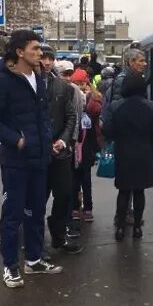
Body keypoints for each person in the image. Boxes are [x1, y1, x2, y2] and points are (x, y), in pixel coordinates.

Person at [0, 30, 62, 289]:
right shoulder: (2, 81)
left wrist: (47, 140)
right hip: (15, 162)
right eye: (35, 49)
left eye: (41, 50)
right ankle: (10, 266)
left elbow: (42, 115)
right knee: (13, 215)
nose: (41, 54)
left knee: (36, 211)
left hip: (39, 159)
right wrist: (16, 140)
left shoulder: (38, 77)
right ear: (19, 52)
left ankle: (34, 260)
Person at [102, 73, 153, 240]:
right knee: (139, 193)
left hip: (124, 153)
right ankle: (137, 228)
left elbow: (107, 130)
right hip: (144, 154)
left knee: (124, 192)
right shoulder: (150, 106)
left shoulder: (115, 106)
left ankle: (120, 228)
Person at [39, 46, 82, 254]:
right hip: (38, 152)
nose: (46, 63)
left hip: (60, 152)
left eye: (50, 59)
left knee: (64, 194)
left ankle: (58, 235)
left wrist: (64, 141)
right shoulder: (29, 84)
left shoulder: (63, 87)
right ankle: (35, 242)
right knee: (38, 197)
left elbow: (71, 116)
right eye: (43, 58)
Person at [53, 60, 86, 237]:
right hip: (54, 146)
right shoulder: (51, 88)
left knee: (66, 189)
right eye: (64, 74)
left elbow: (75, 118)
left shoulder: (74, 91)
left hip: (67, 146)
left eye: (69, 74)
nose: (67, 78)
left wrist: (71, 141)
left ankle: (64, 225)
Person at [70, 68, 102, 222]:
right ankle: (75, 207)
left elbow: (96, 111)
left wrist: (88, 98)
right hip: (73, 143)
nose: (81, 87)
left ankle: (88, 208)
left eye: (83, 83)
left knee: (86, 180)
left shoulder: (93, 98)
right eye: (77, 83)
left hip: (88, 144)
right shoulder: (70, 95)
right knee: (75, 180)